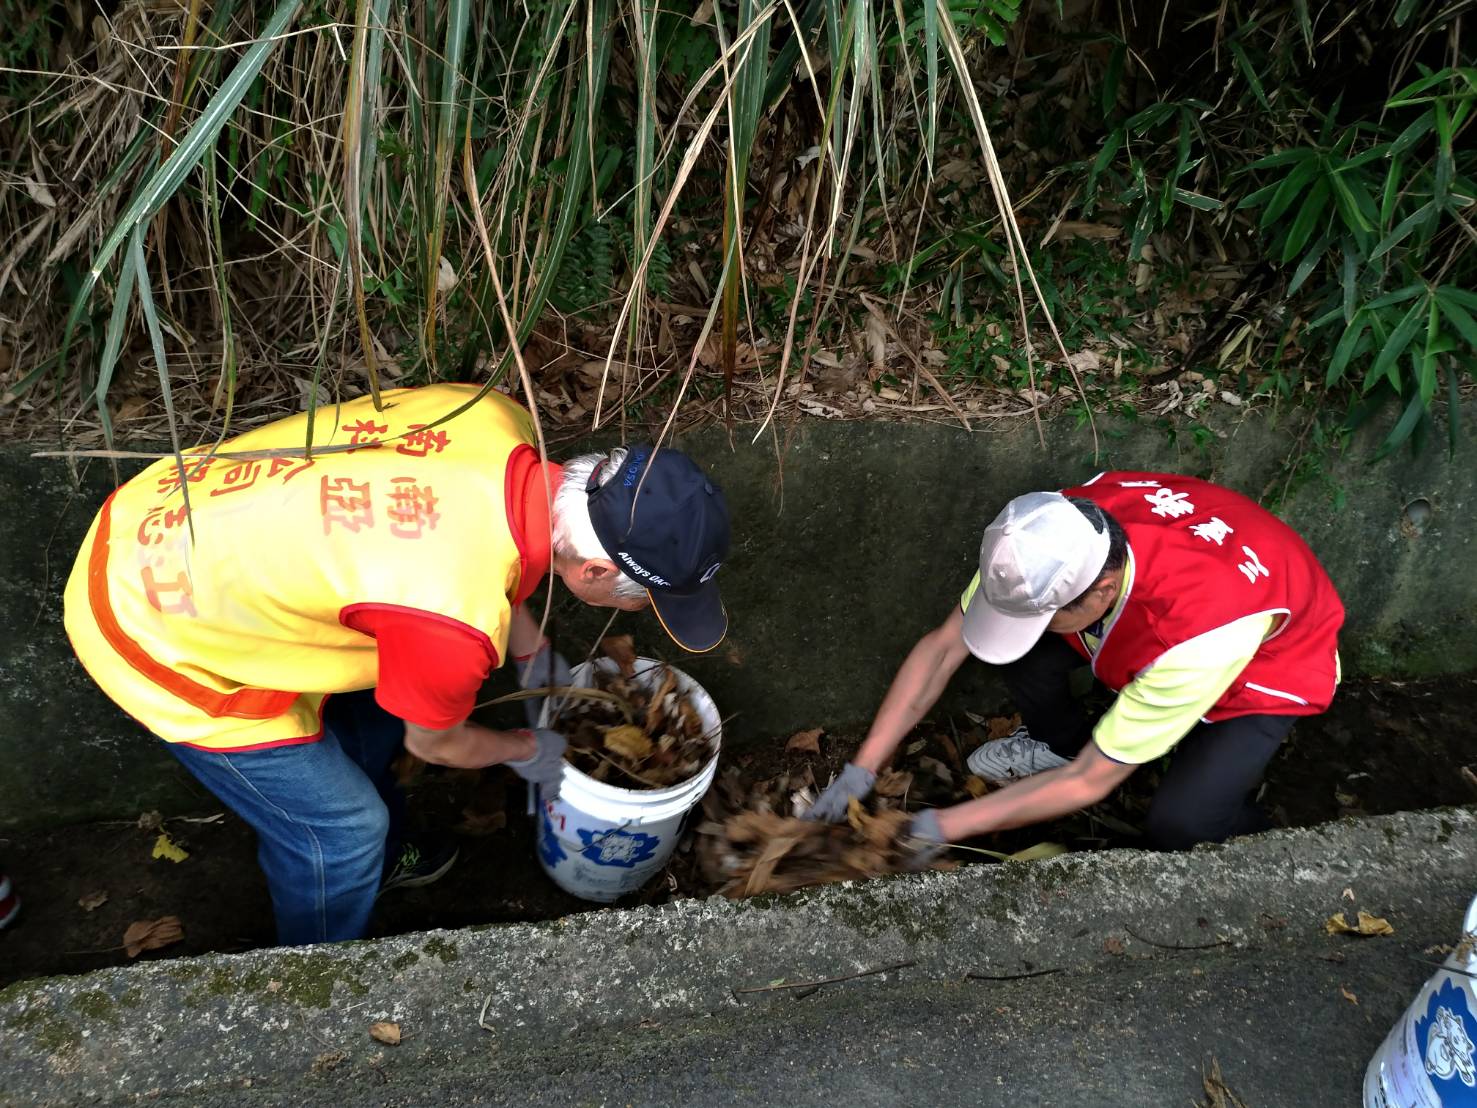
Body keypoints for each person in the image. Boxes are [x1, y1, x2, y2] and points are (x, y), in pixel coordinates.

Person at [63, 383, 730, 944]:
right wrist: (530, 747)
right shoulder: (453, 620)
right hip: (151, 625)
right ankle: (312, 972)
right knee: (343, 828)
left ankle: (373, 865)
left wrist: (528, 651)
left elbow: (451, 539)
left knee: (376, 725)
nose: (637, 609)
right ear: (593, 569)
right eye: (642, 596)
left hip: (162, 510)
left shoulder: (494, 417)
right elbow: (434, 740)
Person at [806, 471, 1343, 860]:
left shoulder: (1195, 633)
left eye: (1040, 618)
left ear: (1101, 593)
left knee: (1184, 822)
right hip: (1183, 604)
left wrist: (935, 826)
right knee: (1015, 650)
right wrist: (864, 767)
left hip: (1262, 665)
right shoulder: (1051, 534)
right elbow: (947, 645)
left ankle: (1273, 849)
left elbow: (1092, 779)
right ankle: (1056, 744)